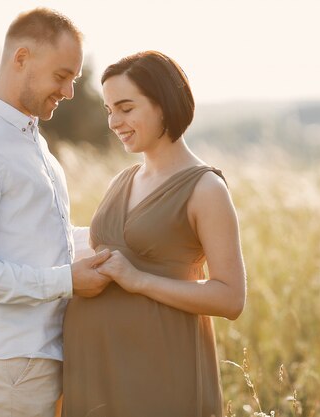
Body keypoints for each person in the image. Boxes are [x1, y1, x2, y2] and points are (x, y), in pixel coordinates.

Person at [0, 8, 111, 417]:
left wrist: (110, 243)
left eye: (74, 80)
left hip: (45, 352)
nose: (68, 92)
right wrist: (67, 280)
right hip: (11, 362)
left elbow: (41, 240)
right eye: (61, 76)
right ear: (21, 58)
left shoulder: (31, 140)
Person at [62, 51, 247, 417]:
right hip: (93, 370)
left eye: (126, 108)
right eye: (109, 110)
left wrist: (138, 280)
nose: (114, 121)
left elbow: (230, 298)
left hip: (158, 373)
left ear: (164, 103)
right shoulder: (122, 180)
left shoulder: (205, 188)